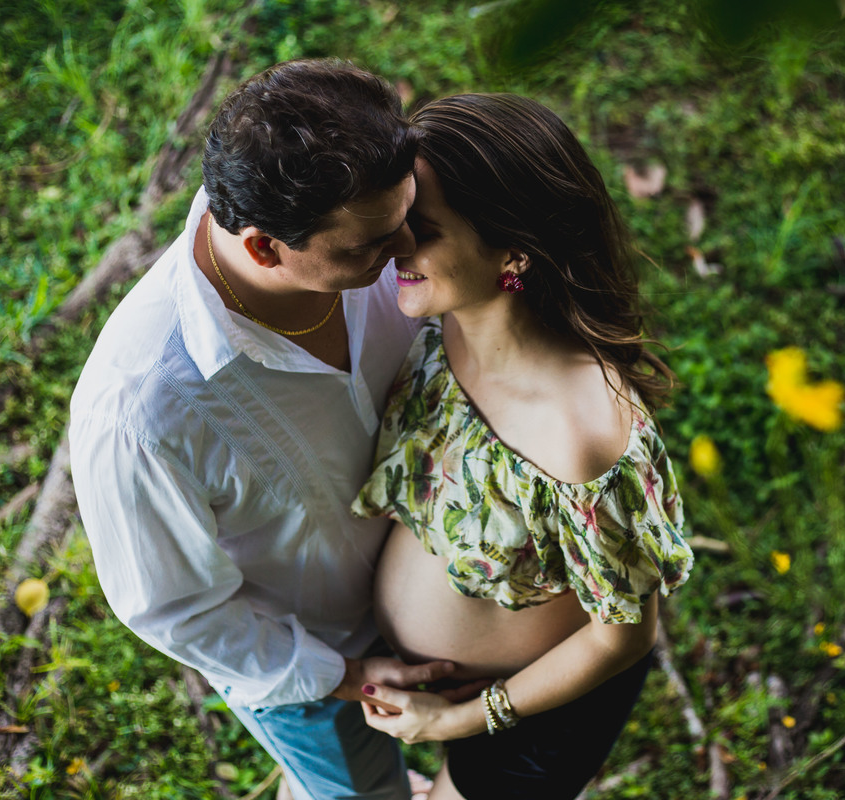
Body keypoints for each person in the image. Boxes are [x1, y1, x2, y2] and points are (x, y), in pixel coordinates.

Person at [69, 59, 457, 800]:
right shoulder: (140, 409)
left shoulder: (371, 229)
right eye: (369, 246)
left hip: (435, 582)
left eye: (407, 216)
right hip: (311, 659)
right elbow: (174, 609)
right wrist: (341, 675)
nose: (409, 248)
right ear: (262, 247)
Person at [351, 93, 695, 800]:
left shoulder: (582, 437)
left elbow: (622, 637)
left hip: (531, 715)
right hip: (408, 679)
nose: (395, 244)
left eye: (424, 230)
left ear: (514, 253)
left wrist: (461, 719)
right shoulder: (435, 324)